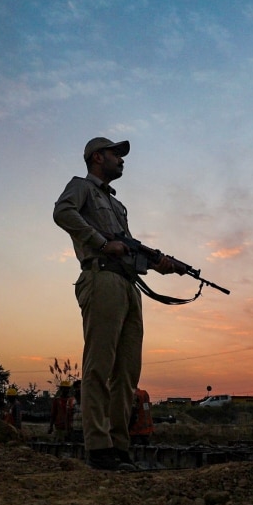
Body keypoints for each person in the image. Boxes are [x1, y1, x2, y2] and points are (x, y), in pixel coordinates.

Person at [53, 137, 174, 471]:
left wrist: (160, 264)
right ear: (96, 157)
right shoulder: (81, 187)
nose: (121, 160)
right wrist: (102, 242)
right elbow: (62, 213)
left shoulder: (118, 206)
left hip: (128, 284)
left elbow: (127, 248)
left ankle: (120, 448)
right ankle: (99, 447)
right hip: (101, 278)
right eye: (115, 155)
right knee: (100, 366)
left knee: (127, 372)